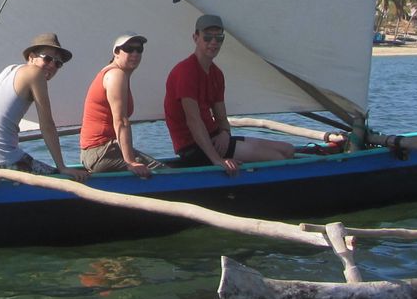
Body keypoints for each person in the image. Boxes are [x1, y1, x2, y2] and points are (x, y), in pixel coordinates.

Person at [164, 14, 295, 172]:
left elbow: (221, 118)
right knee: (277, 158)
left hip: (215, 139)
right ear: (195, 37)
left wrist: (225, 133)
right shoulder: (185, 71)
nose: (213, 42)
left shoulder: (217, 74)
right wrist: (217, 160)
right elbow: (194, 121)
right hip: (192, 146)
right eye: (207, 37)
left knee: (288, 150)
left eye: (218, 38)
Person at [0, 33, 83, 177]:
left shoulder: (10, 69)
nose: (52, 65)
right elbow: (47, 125)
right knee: (59, 176)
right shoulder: (35, 73)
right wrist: (62, 167)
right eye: (47, 59)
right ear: (31, 57)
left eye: (58, 63)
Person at [79, 33, 160, 177]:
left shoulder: (118, 74)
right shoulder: (116, 75)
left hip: (98, 153)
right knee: (161, 172)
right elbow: (121, 121)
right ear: (116, 52)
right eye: (129, 48)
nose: (135, 53)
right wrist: (130, 162)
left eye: (139, 49)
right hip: (101, 153)